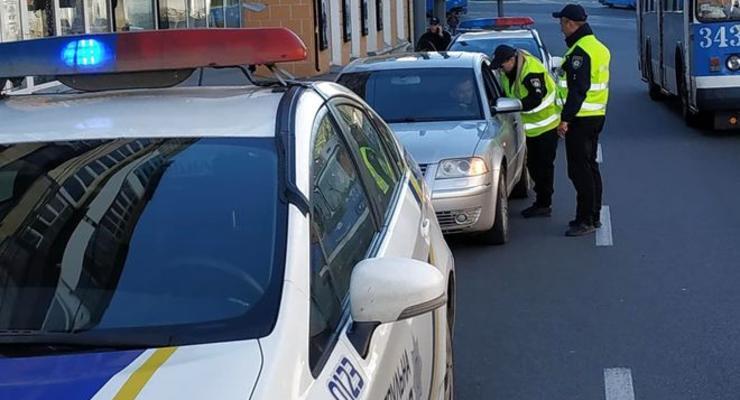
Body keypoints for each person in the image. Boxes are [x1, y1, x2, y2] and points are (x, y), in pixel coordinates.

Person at [552, 4, 611, 237]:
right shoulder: (598, 47)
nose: (561, 29)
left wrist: (565, 119)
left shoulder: (580, 52)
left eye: (562, 24)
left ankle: (586, 219)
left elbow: (578, 89)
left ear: (570, 23)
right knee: (590, 167)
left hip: (581, 118)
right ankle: (592, 215)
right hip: (595, 115)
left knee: (579, 171)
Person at [491, 45, 560, 219]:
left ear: (512, 60)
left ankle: (544, 204)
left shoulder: (530, 71)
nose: (501, 69)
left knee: (543, 167)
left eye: (502, 65)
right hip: (528, 128)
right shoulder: (507, 73)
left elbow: (536, 98)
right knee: (533, 166)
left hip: (546, 125)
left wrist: (517, 106)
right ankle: (542, 201)